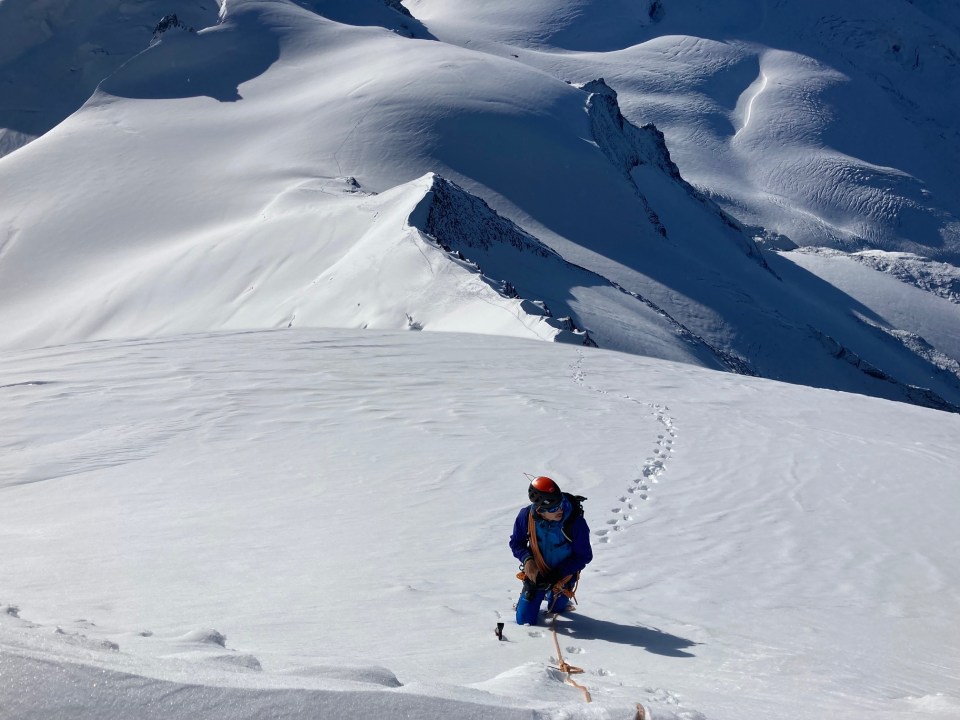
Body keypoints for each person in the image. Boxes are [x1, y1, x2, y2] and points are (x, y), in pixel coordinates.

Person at [509, 476, 593, 625]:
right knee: (524, 620)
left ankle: (554, 596)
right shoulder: (525, 517)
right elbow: (516, 543)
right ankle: (538, 595)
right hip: (537, 574)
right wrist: (528, 561)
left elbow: (584, 555)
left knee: (557, 608)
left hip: (562, 577)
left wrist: (559, 573)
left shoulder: (575, 523)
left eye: (560, 504)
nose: (560, 510)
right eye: (553, 509)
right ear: (540, 510)